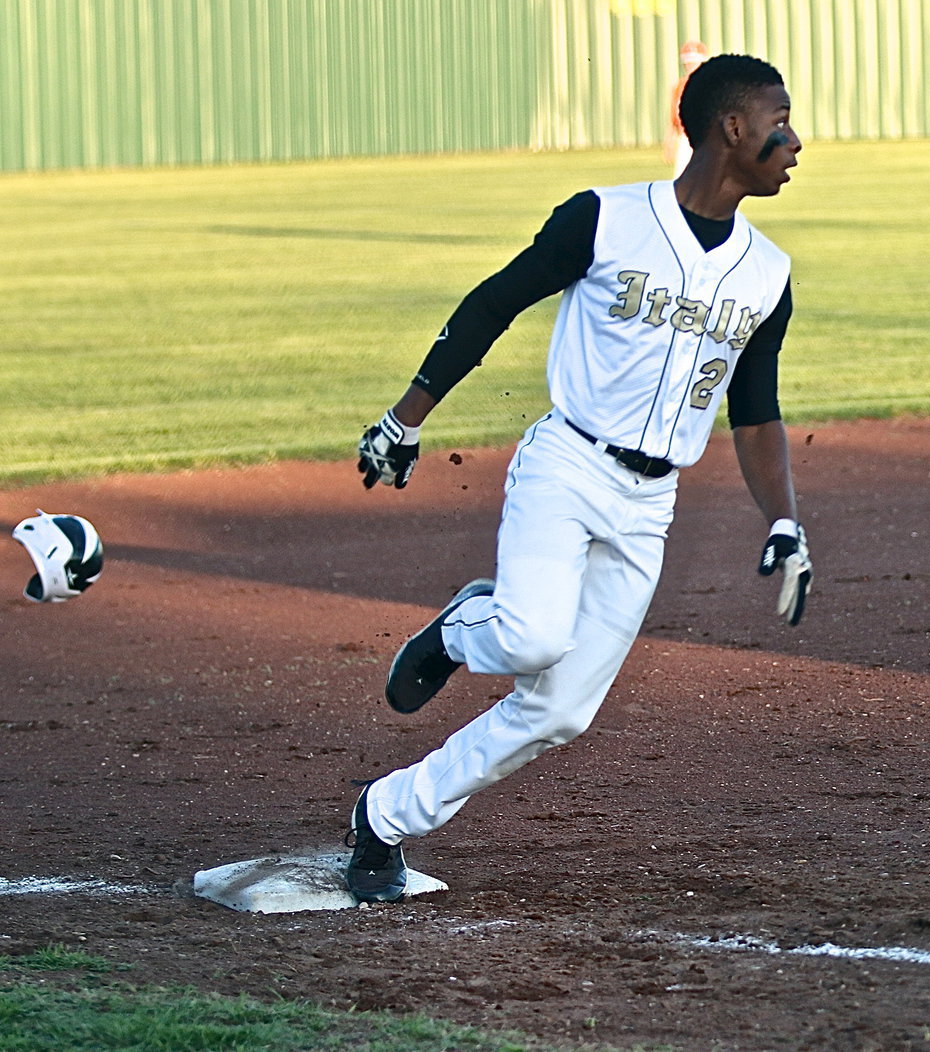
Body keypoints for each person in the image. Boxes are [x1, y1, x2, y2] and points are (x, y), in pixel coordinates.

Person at [347, 53, 812, 903]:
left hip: (650, 504)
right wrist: (405, 418)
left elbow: (756, 411)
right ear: (732, 127)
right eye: (780, 123)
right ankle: (458, 630)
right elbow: (495, 302)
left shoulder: (767, 274)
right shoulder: (605, 218)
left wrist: (784, 520)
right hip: (566, 466)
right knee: (530, 638)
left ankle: (385, 817)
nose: (796, 142)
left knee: (560, 711)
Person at [665, 40, 710, 176]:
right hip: (685, 138)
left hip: (705, 138)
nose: (690, 65)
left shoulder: (710, 85)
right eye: (687, 62)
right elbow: (674, 116)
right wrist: (669, 140)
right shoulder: (680, 86)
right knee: (682, 177)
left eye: (693, 62)